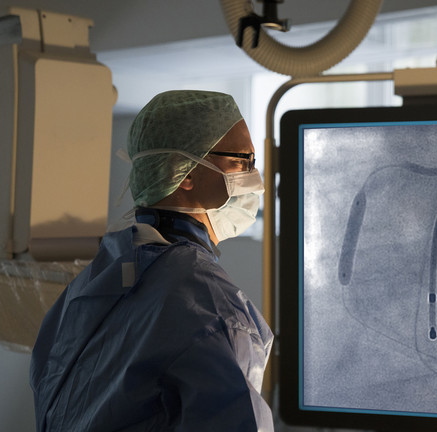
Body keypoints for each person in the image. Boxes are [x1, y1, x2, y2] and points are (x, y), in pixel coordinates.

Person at [30, 90, 273, 431]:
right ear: (184, 173)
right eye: (242, 160)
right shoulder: (209, 304)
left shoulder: (94, 279)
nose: (255, 176)